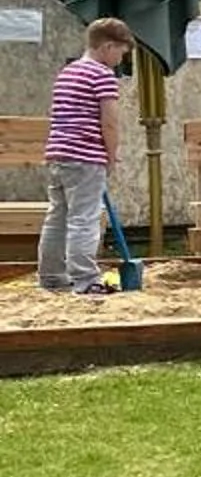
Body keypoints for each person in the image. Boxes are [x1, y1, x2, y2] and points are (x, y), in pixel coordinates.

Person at [39, 18, 133, 298]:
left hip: (59, 154)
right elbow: (110, 122)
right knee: (84, 218)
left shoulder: (68, 72)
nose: (120, 59)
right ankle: (85, 280)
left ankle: (52, 276)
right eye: (121, 52)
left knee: (57, 217)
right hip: (86, 157)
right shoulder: (102, 75)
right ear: (107, 47)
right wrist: (111, 156)